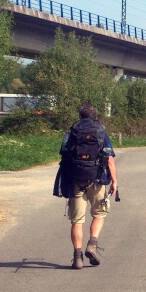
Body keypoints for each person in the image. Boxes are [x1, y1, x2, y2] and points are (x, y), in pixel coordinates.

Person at [53, 104, 118, 270]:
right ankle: (92, 243)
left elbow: (64, 154)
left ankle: (77, 257)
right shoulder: (101, 132)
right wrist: (115, 181)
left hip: (75, 180)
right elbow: (109, 158)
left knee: (77, 220)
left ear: (80, 116)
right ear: (95, 116)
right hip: (98, 180)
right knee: (99, 214)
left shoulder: (71, 132)